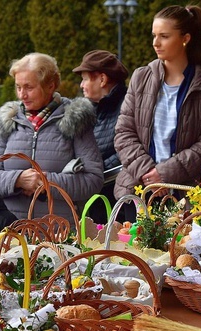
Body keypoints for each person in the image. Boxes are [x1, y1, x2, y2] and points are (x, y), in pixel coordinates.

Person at [114, 5, 201, 206]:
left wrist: (164, 174)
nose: (156, 43)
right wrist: (148, 173)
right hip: (139, 190)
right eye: (154, 35)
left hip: (186, 195)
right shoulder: (141, 77)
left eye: (164, 36)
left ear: (185, 38)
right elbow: (123, 132)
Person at [0, 52, 104, 223]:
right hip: (12, 232)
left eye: (29, 87)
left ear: (50, 86)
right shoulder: (9, 120)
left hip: (59, 232)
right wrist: (18, 180)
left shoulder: (75, 119)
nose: (22, 95)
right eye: (18, 87)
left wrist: (45, 182)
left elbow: (93, 180)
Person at [72, 49, 129, 223]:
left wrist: (96, 170)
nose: (81, 85)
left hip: (120, 198)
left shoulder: (128, 105)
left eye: (85, 79)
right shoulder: (89, 109)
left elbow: (128, 149)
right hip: (95, 196)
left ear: (102, 79)